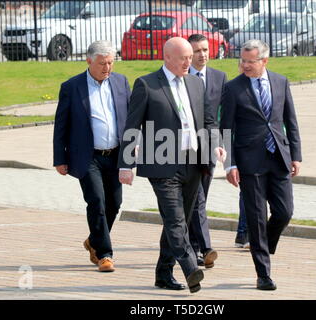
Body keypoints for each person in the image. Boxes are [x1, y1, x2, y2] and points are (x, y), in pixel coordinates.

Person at [118, 37, 225, 293]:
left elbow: (208, 120)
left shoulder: (195, 83)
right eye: (183, 58)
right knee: (175, 220)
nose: (190, 62)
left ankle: (163, 274)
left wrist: (217, 143)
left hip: (193, 162)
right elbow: (131, 126)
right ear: (167, 57)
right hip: (161, 163)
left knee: (179, 221)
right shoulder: (146, 84)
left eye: (190, 57)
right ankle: (190, 268)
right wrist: (125, 164)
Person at [220, 39, 302, 290]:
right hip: (249, 161)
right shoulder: (233, 88)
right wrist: (229, 165)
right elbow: (225, 129)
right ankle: (263, 273)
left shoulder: (280, 82)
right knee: (255, 218)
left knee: (284, 212)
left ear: (264, 61)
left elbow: (291, 120)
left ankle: (266, 244)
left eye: (250, 61)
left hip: (278, 157)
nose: (245, 65)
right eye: (242, 60)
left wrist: (296, 155)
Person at [53, 40, 131, 273]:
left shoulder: (120, 82)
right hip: (87, 156)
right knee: (96, 201)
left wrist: (131, 149)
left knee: (114, 203)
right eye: (102, 63)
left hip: (115, 154)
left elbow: (129, 118)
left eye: (110, 63)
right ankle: (104, 254)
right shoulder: (72, 87)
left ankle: (93, 240)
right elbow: (61, 125)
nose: (107, 68)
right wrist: (60, 158)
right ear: (89, 61)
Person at [187, 34, 227, 268]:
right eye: (197, 51)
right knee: (197, 199)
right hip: (184, 148)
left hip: (209, 147)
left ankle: (193, 246)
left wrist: (222, 144)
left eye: (205, 49)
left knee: (200, 197)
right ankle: (203, 247)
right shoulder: (181, 77)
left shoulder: (219, 77)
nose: (202, 55)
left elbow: (223, 115)